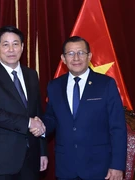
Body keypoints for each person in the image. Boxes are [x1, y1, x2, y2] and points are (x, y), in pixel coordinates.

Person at [42, 36, 127, 180]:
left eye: (81, 53)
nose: (76, 58)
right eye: (70, 53)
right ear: (63, 58)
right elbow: (51, 118)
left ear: (89, 57)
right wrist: (39, 126)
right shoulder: (54, 86)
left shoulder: (106, 84)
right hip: (66, 167)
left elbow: (118, 127)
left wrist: (117, 165)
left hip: (99, 168)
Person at [0, 25, 48, 180]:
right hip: (1, 161)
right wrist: (28, 123)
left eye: (15, 44)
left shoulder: (31, 75)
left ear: (22, 47)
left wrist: (42, 152)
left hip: (31, 159)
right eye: (5, 44)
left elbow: (37, 113)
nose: (11, 49)